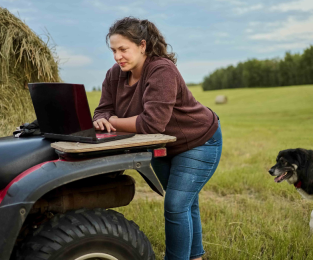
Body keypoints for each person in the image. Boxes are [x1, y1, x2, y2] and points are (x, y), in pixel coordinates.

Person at [93, 17, 222, 260]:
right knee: (185, 203)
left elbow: (152, 123)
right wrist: (102, 118)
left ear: (142, 46)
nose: (117, 56)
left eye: (123, 49)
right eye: (113, 50)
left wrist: (113, 123)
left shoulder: (161, 69)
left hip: (198, 141)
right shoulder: (114, 74)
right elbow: (102, 110)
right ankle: (196, 257)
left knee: (175, 206)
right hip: (161, 146)